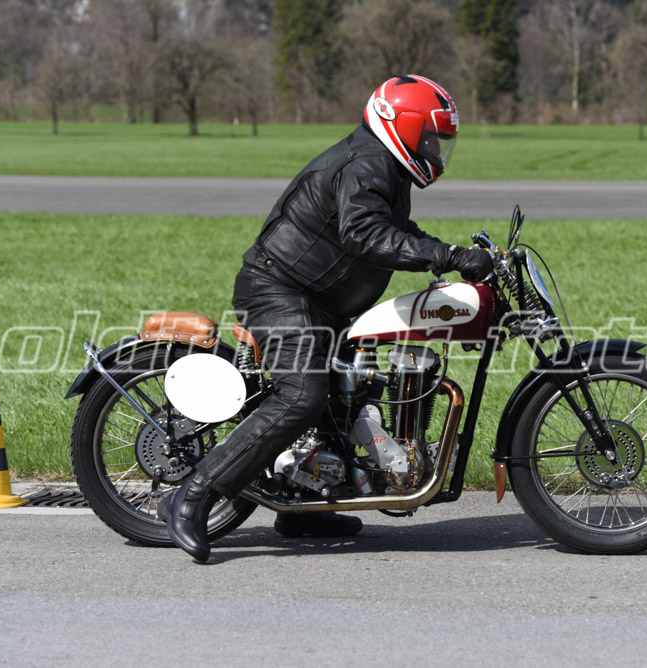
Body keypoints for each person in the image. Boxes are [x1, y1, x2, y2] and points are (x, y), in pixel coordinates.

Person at [158, 74, 493, 562]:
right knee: (302, 395)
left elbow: (395, 228)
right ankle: (192, 496)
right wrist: (448, 256)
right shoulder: (366, 162)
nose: (434, 151)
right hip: (280, 291)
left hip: (319, 300)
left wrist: (452, 253)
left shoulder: (385, 166)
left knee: (347, 394)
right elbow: (365, 234)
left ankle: (306, 507)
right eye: (429, 138)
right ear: (401, 126)